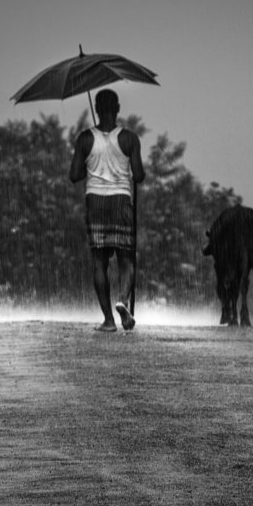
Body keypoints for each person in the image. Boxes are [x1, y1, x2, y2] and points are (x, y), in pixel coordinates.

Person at [69, 89, 145, 332]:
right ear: (118, 108)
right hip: (121, 200)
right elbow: (140, 175)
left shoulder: (84, 139)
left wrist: (90, 164)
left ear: (98, 109)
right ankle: (122, 300)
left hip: (96, 202)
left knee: (99, 262)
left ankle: (109, 321)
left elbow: (74, 175)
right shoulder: (130, 138)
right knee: (126, 259)